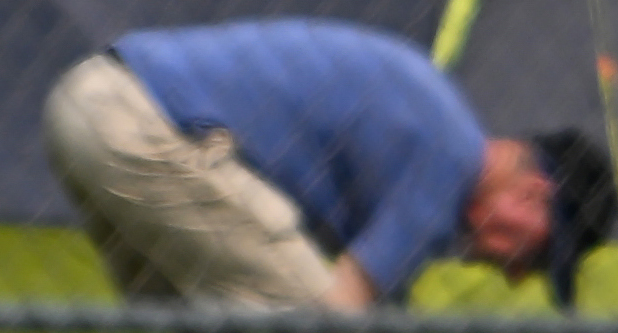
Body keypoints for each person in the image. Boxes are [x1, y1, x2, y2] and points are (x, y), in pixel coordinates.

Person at [43, 18, 555, 310]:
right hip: (143, 123)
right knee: (309, 317)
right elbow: (342, 304)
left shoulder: (442, 127)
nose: (516, 276)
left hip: (87, 99)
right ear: (533, 194)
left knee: (182, 313)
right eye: (538, 254)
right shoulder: (450, 166)